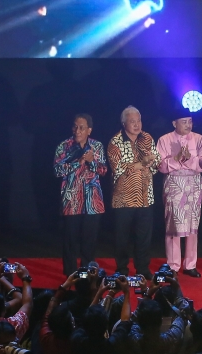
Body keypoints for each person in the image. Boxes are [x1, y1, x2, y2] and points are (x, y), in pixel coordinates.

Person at [107, 106, 160, 279]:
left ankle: (143, 269)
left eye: (139, 121)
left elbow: (157, 161)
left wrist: (152, 163)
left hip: (146, 196)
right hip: (124, 198)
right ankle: (122, 269)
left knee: (144, 237)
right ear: (124, 124)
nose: (137, 125)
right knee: (122, 237)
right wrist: (141, 163)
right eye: (132, 122)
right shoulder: (115, 142)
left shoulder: (147, 138)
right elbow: (117, 168)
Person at [157, 107, 202, 277]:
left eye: (190, 121)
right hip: (174, 185)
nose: (188, 125)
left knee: (193, 225)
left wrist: (189, 159)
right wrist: (176, 158)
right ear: (174, 123)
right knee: (174, 225)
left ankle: (190, 264)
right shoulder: (164, 140)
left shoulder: (199, 139)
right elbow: (160, 166)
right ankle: (173, 266)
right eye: (184, 122)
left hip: (194, 185)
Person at [53, 114, 108, 275]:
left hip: (92, 201)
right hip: (71, 201)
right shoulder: (64, 146)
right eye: (75, 127)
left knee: (89, 242)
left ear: (89, 130)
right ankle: (70, 274)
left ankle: (86, 275)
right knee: (70, 241)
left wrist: (91, 161)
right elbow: (57, 171)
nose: (77, 130)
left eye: (81, 127)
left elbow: (103, 170)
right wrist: (78, 162)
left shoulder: (97, 146)